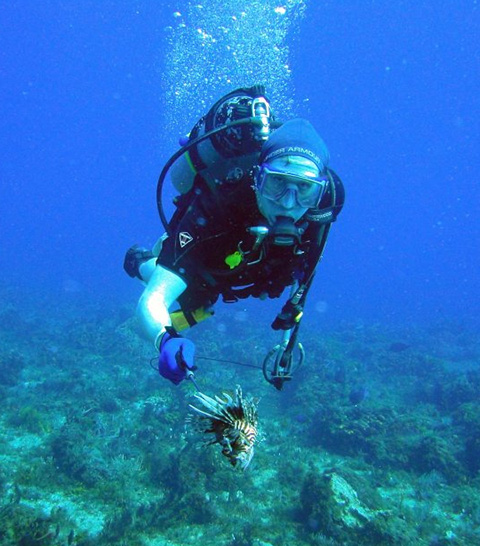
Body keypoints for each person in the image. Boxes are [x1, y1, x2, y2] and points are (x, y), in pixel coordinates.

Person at [124, 85, 344, 389]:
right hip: (209, 263)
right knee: (193, 297)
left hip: (255, 268)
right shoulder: (217, 200)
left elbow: (307, 273)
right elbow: (154, 300)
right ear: (257, 178)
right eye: (276, 184)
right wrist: (166, 340)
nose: (289, 202)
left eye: (304, 188)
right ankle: (140, 261)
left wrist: (288, 336)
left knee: (210, 299)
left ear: (319, 190)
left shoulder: (323, 207)